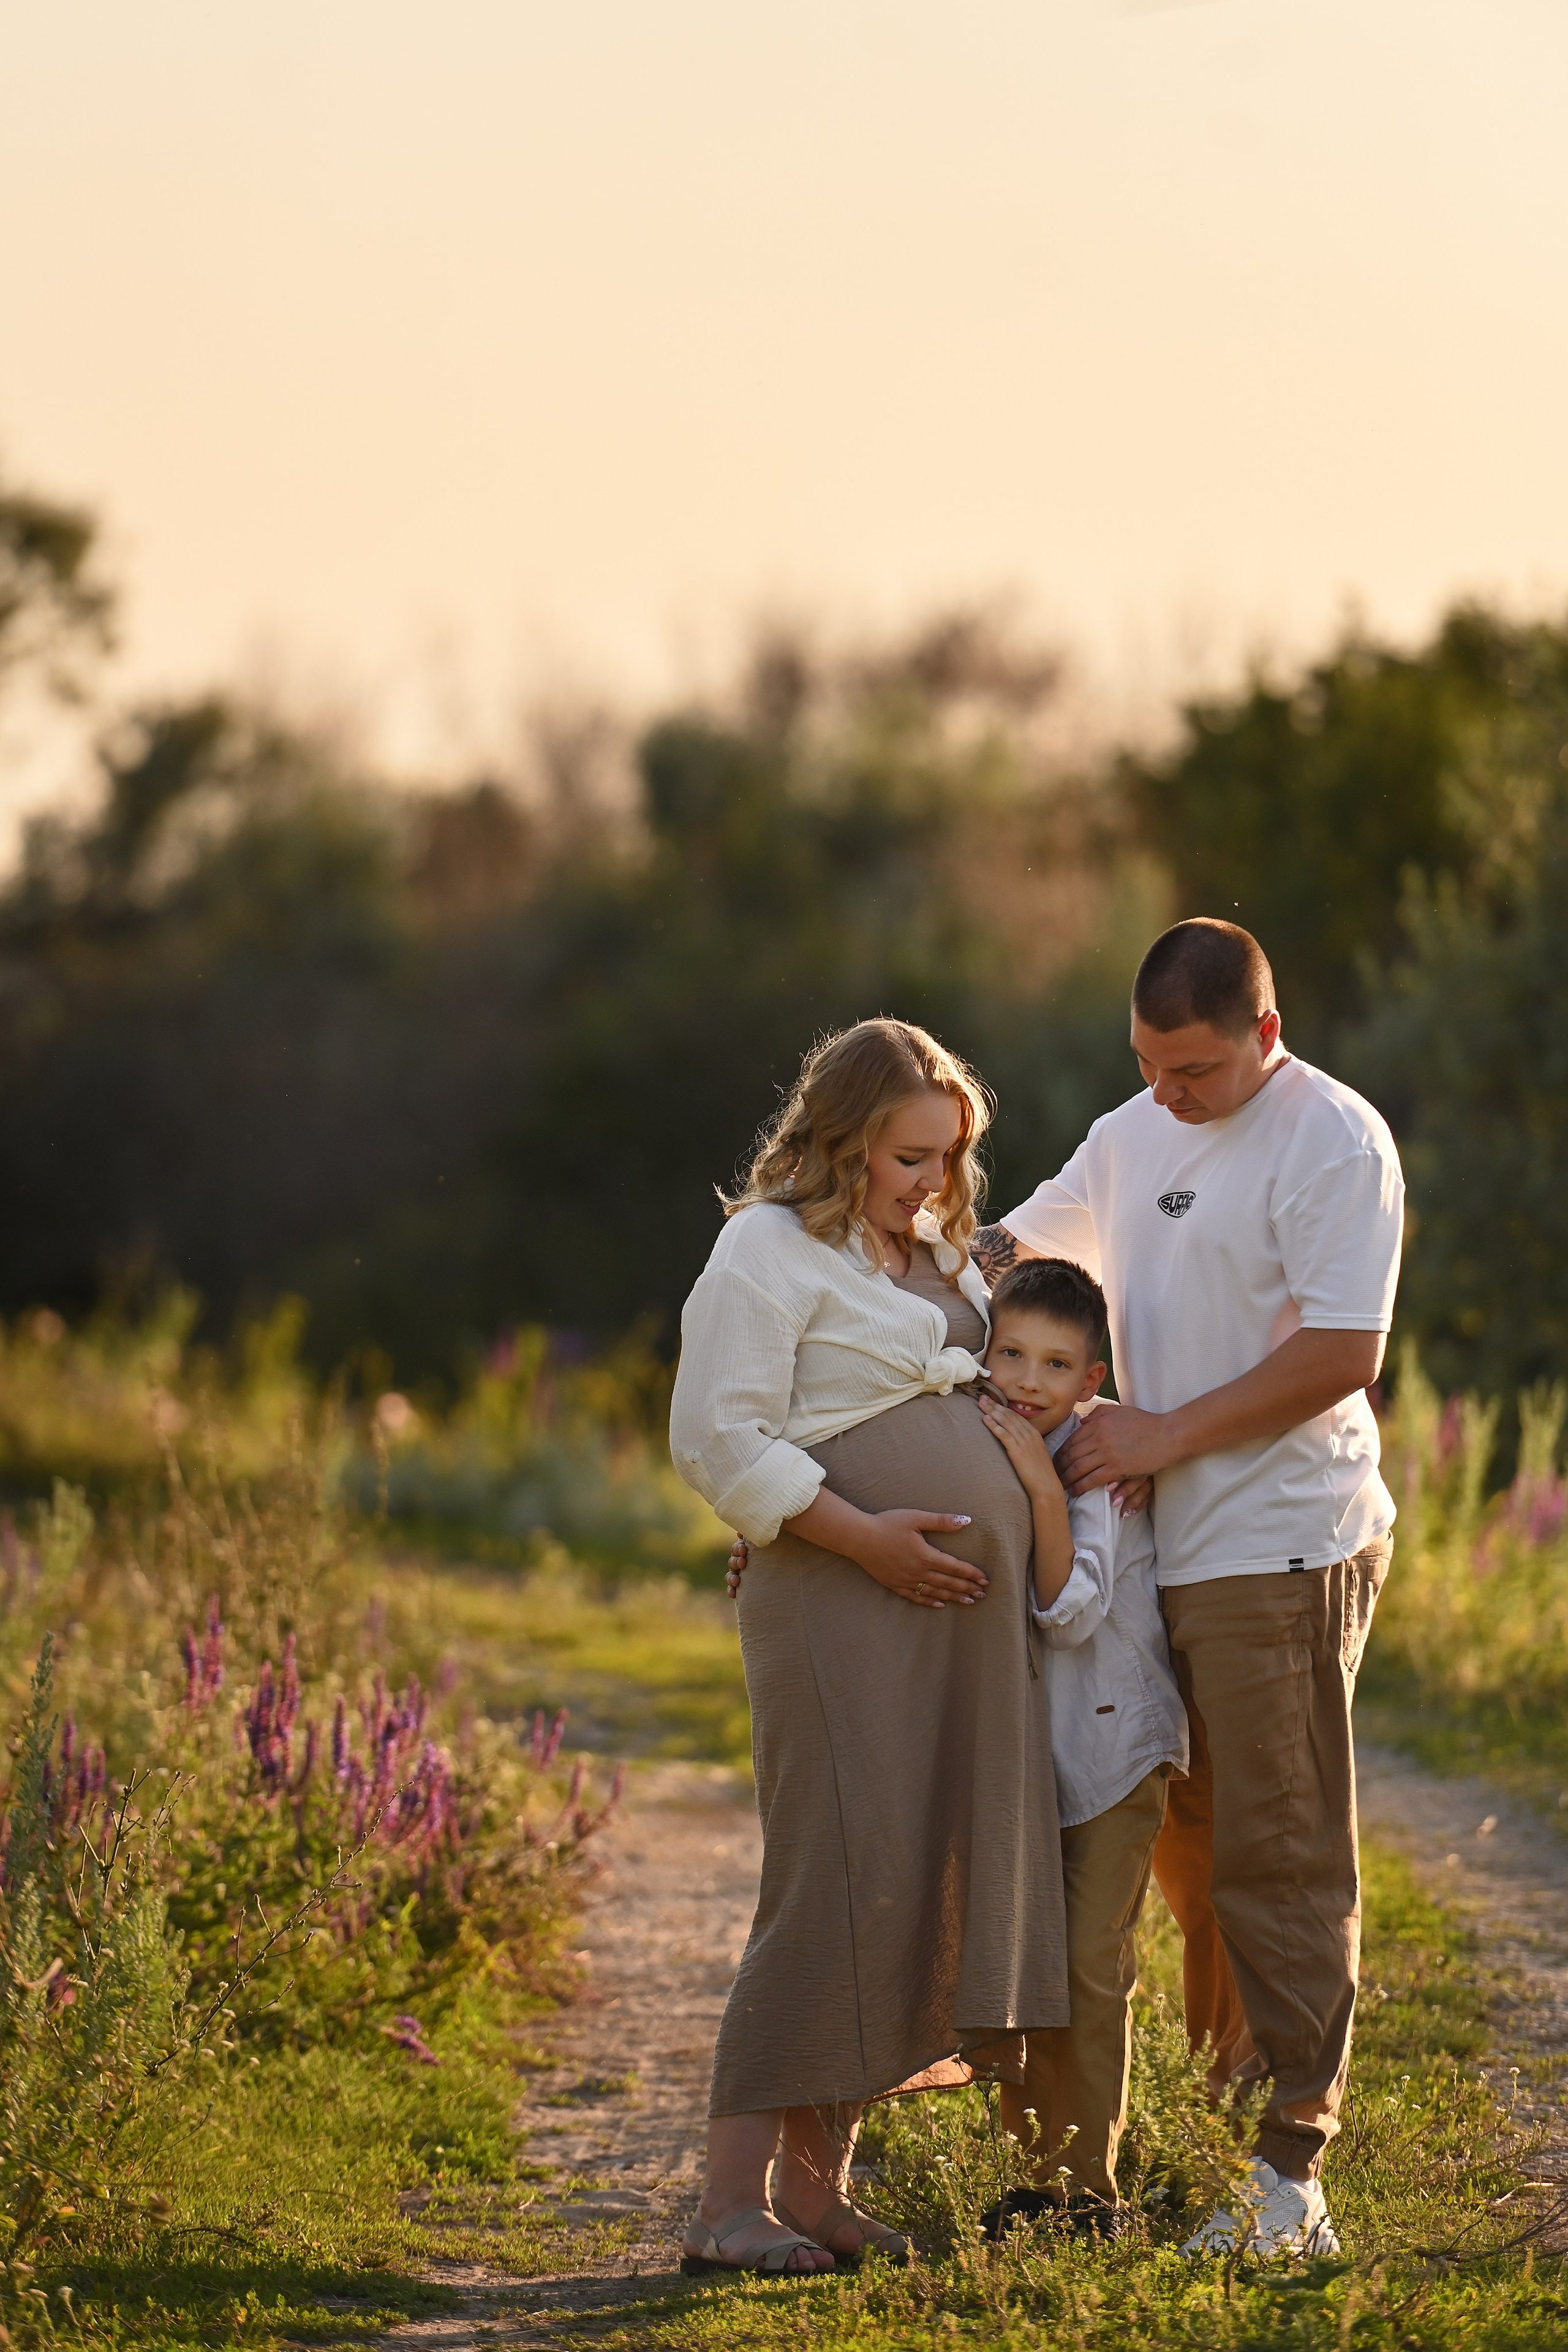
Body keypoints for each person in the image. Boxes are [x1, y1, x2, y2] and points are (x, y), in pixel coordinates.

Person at [975, 918, 1403, 2259]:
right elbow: (1002, 1260)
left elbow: (1342, 1348)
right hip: (1155, 1554)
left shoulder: (1330, 1140)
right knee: (1189, 1855)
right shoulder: (1130, 1133)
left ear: (1263, 1036)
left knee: (1277, 1852)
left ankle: (1290, 2179)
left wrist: (1157, 1434)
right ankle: (1224, 2128)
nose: (1171, 1094)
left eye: (1197, 1072)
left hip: (1278, 1542)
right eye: (1149, 1065)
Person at [668, 1019, 1068, 2277]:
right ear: (838, 1140)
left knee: (901, 1878)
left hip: (940, 1618)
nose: (932, 1182)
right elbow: (718, 1443)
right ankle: (729, 2208)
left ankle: (817, 2192)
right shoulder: (762, 1251)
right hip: (840, 1598)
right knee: (825, 1882)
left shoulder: (945, 1253)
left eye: (948, 1158)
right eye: (907, 1158)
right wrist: (861, 1541)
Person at [967, 1257, 1188, 2238]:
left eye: (1054, 1365)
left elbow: (1070, 1607)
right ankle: (1033, 2182)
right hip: (1028, 1762)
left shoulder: (1090, 1470)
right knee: (1026, 1966)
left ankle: (1089, 2191)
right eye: (1009, 1352)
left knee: (1093, 1970)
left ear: (1090, 1383)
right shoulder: (991, 1440)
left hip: (1111, 1756)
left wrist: (1040, 1487)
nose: (1026, 1379)